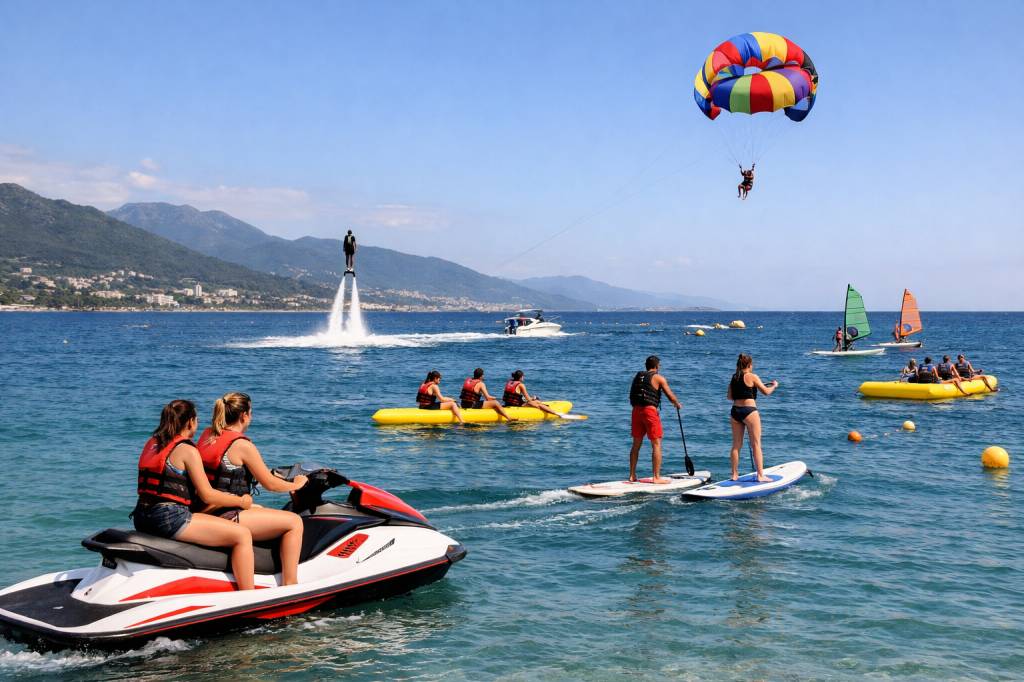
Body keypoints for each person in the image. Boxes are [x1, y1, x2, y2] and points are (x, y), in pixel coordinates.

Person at [134, 399, 257, 590]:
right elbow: (207, 494)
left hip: (141, 516)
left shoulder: (152, 443)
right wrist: (241, 501)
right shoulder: (186, 449)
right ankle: (249, 596)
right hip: (169, 518)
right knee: (242, 535)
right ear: (191, 422)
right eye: (197, 420)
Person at [195, 393, 309, 586]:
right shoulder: (241, 444)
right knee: (294, 522)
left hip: (206, 509)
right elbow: (270, 484)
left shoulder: (208, 435)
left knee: (262, 510)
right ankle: (290, 584)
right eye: (251, 412)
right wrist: (297, 484)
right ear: (244, 416)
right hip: (226, 513)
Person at [627, 356, 682, 483]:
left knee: (636, 444)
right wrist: (677, 404)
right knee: (656, 444)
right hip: (649, 412)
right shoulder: (658, 377)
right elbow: (670, 396)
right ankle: (656, 477)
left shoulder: (638, 375)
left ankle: (632, 475)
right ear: (657, 366)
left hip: (636, 411)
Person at [727, 354, 778, 482]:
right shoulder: (753, 376)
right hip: (749, 411)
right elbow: (766, 392)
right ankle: (761, 476)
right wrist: (774, 386)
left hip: (735, 412)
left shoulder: (734, 377)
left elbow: (729, 397)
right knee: (756, 444)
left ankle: (734, 475)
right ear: (749, 365)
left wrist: (742, 391)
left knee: (736, 445)